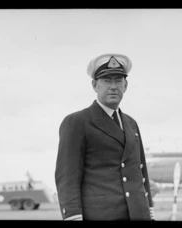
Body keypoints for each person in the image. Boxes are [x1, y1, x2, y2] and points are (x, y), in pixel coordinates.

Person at [55, 53, 154, 221]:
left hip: (139, 215)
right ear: (95, 85)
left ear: (126, 85)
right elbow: (67, 178)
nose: (113, 86)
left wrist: (149, 210)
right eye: (107, 80)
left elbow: (140, 171)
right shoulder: (77, 122)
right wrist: (73, 217)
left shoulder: (131, 123)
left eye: (118, 80)